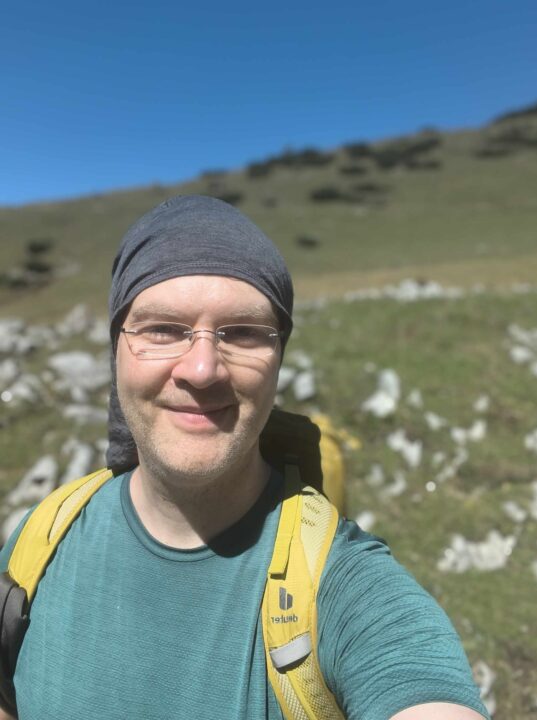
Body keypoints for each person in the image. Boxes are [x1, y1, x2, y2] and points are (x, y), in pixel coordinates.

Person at [0, 195, 490, 719]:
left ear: (279, 360)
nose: (202, 368)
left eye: (243, 333)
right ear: (115, 349)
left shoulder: (346, 588)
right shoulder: (41, 538)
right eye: (162, 329)